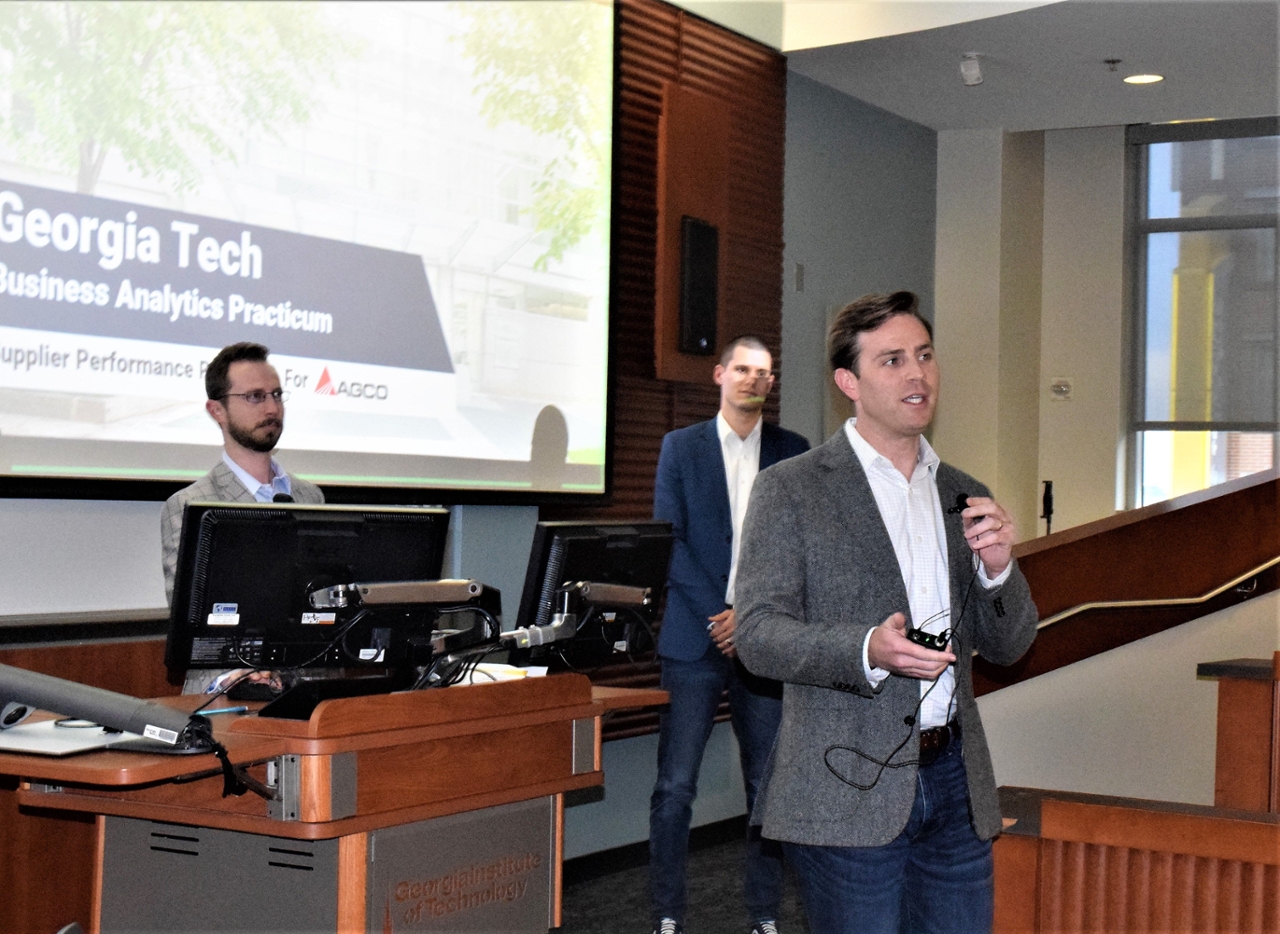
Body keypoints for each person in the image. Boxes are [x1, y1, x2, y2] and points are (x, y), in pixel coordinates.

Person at [734, 292, 1038, 934]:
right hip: (844, 783)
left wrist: (999, 569)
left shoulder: (963, 492)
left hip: (956, 781)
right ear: (849, 382)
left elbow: (1010, 645)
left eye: (924, 356)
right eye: (892, 360)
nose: (917, 374)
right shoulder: (791, 489)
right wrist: (865, 649)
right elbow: (758, 636)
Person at [649, 336, 810, 934]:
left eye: (763, 373)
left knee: (766, 785)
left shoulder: (794, 453)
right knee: (675, 787)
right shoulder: (679, 447)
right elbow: (670, 539)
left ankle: (764, 914)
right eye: (742, 369)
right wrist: (723, 613)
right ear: (719, 375)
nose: (752, 380)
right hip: (695, 638)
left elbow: (799, 549)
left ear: (771, 383)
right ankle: (667, 913)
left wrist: (750, 615)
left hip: (765, 640)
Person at [160, 341, 323, 693]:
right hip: (221, 696)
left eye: (276, 395)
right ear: (217, 410)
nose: (272, 407)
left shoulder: (311, 497)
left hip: (304, 689)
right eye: (255, 396)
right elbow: (193, 622)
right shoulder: (191, 504)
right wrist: (240, 675)